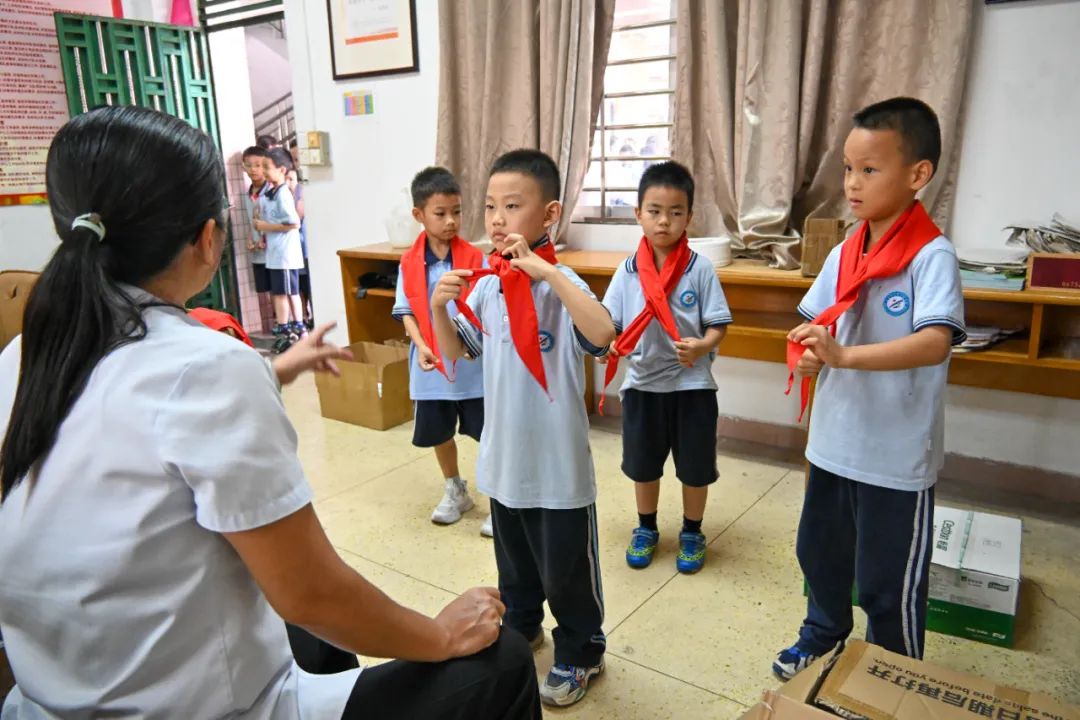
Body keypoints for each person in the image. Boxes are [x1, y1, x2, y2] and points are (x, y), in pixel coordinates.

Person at [0, 105, 541, 719]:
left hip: (44, 700)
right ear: (208, 238)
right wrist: (440, 634)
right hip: (198, 708)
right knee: (501, 664)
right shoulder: (205, 368)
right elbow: (311, 594)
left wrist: (275, 369)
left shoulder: (27, 353)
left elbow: (141, 409)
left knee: (296, 611)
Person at [774, 97, 965, 680]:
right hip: (834, 443)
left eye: (869, 170)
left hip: (893, 456)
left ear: (918, 175)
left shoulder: (932, 256)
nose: (852, 184)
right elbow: (821, 324)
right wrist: (810, 355)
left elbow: (936, 341)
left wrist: (844, 355)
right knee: (822, 555)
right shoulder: (845, 249)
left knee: (888, 578)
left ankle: (892, 671)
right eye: (848, 170)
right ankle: (823, 633)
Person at [431, 149, 616, 707]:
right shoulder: (488, 287)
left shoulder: (563, 285)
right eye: (490, 206)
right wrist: (440, 308)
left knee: (568, 572)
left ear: (549, 213)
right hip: (505, 459)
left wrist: (549, 273)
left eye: (513, 206)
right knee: (515, 566)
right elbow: (457, 354)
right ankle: (525, 627)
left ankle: (583, 652)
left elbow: (603, 334)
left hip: (557, 467)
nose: (497, 219)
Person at [599, 161, 732, 574]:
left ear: (689, 217)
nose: (664, 221)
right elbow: (611, 325)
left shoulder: (700, 269)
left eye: (676, 213)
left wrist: (702, 347)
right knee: (644, 464)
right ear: (638, 214)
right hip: (641, 386)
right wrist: (608, 346)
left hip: (692, 385)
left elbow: (718, 326)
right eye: (654, 211)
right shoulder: (626, 271)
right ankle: (646, 527)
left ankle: (692, 530)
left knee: (694, 468)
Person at [391, 167, 490, 534]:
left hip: (472, 364)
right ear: (419, 215)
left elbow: (483, 309)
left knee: (487, 433)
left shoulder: (476, 259)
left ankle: (499, 498)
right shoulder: (408, 262)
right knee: (440, 432)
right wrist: (419, 347)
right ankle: (455, 489)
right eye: (440, 213)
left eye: (457, 211)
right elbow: (406, 311)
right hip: (431, 365)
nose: (451, 221)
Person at [254, 148, 306, 353]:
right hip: (274, 254)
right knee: (279, 292)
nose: (263, 171)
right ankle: (289, 328)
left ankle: (290, 329)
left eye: (267, 167)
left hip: (285, 255)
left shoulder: (283, 193)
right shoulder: (269, 192)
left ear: (282, 169)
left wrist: (266, 227)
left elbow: (294, 223)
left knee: (285, 292)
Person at [242, 146, 271, 306]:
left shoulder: (271, 190)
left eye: (258, 165)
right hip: (257, 250)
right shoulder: (249, 192)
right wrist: (250, 239)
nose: (253, 169)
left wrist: (264, 239)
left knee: (279, 290)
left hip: (272, 249)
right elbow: (250, 220)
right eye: (249, 165)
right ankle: (275, 319)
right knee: (265, 288)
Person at [286, 168, 314, 329]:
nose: (289, 183)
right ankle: (304, 316)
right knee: (301, 286)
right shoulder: (284, 194)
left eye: (292, 179)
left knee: (309, 286)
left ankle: (311, 316)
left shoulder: (301, 193)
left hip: (305, 248)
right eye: (287, 179)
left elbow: (297, 216)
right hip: (296, 250)